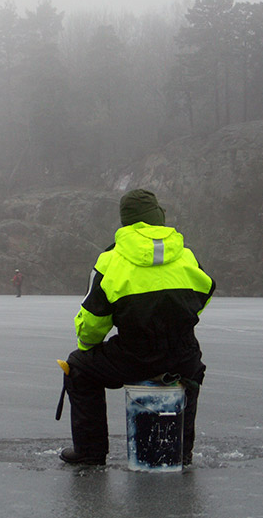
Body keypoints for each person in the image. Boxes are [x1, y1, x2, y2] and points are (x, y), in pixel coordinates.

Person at [59, 189, 215, 466]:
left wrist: (87, 348)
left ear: (125, 220)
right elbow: (205, 291)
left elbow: (93, 322)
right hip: (182, 353)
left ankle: (90, 452)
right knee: (191, 373)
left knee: (79, 368)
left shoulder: (111, 259)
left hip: (134, 355)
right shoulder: (185, 254)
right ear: (158, 216)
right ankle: (181, 451)